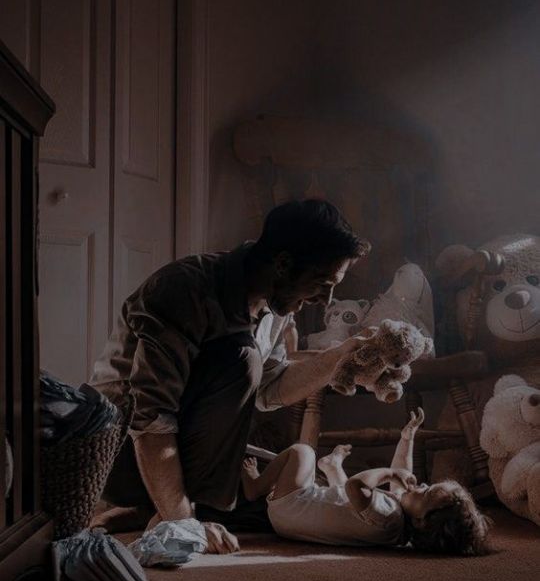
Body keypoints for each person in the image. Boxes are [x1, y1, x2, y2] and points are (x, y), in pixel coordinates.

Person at [90, 199, 370, 553]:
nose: (326, 300)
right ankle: (161, 508)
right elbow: (150, 417)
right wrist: (184, 524)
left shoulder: (276, 304)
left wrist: (338, 358)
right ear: (283, 264)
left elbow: (270, 389)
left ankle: (149, 510)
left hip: (179, 449)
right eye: (321, 284)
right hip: (119, 454)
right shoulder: (182, 289)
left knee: (291, 501)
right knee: (241, 357)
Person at [241, 408, 491, 556]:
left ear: (421, 521)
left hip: (291, 507)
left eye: (426, 493)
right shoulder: (397, 527)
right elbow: (402, 474)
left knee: (303, 452)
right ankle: (332, 467)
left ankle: (255, 485)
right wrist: (407, 439)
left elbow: (355, 486)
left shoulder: (389, 515)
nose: (422, 486)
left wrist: (389, 474)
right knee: (341, 499)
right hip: (291, 523)